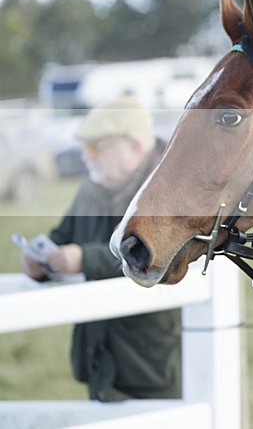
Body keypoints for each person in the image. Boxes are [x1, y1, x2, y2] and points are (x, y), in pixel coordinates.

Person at [21, 96, 182, 402]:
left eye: (95, 148)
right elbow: (61, 236)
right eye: (84, 148)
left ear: (134, 145)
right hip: (99, 358)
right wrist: (40, 261)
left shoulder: (172, 190)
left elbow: (154, 255)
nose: (85, 157)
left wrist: (85, 259)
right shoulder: (91, 188)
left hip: (151, 362)